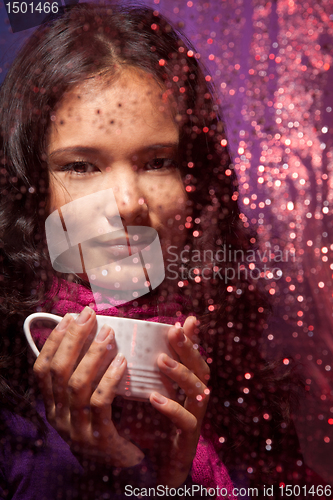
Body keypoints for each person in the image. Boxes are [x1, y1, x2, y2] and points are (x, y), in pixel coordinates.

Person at [0, 2, 325, 499]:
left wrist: (163, 482)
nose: (129, 204)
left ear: (194, 181)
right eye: (82, 166)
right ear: (32, 186)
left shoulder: (237, 355)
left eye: (157, 162)